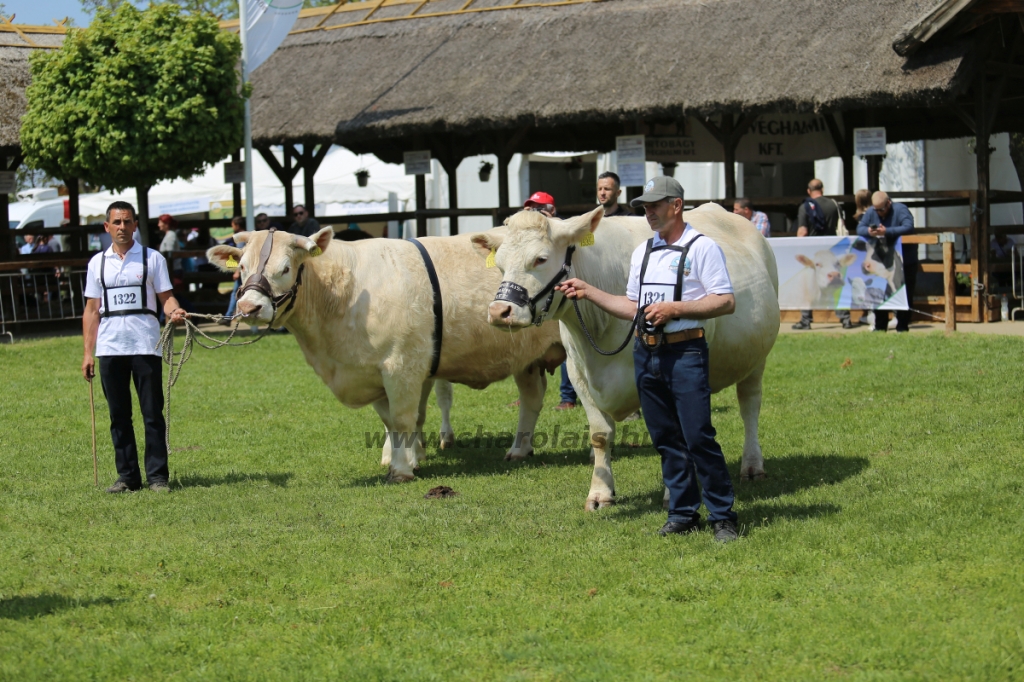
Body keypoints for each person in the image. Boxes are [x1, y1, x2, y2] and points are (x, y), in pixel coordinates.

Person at [556, 176, 739, 543]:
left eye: (655, 205)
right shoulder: (644, 252)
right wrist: (589, 292)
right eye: (644, 206)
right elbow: (632, 306)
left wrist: (676, 308)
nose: (648, 212)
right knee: (666, 438)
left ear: (676, 205)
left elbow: (725, 300)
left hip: (686, 350)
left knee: (699, 435)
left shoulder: (702, 248)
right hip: (647, 351)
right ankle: (683, 513)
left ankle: (723, 516)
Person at [82, 201, 188, 493]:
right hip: (109, 348)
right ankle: (127, 477)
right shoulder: (97, 263)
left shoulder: (152, 259)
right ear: (107, 227)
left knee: (152, 413)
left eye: (127, 222)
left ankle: (157, 477)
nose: (122, 228)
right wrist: (87, 353)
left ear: (135, 225)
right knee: (118, 416)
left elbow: (167, 297)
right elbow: (92, 310)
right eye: (116, 222)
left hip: (145, 345)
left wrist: (174, 310)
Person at [525, 191, 577, 409]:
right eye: (530, 209)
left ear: (551, 211)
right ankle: (527, 393)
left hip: (562, 296)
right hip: (539, 297)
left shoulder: (563, 233)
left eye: (539, 209)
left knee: (568, 344)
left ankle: (568, 398)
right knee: (530, 343)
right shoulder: (529, 237)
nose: (534, 213)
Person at [791, 179, 854, 330]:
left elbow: (803, 231)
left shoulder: (805, 207)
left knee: (808, 285)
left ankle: (806, 320)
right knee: (836, 286)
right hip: (832, 250)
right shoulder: (834, 204)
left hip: (814, 253)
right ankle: (845, 319)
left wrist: (798, 247)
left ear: (809, 190)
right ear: (822, 189)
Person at [857, 191, 917, 333]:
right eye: (876, 209)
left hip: (904, 261)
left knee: (904, 294)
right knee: (879, 293)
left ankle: (902, 327)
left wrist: (887, 231)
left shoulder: (901, 209)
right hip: (881, 264)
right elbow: (860, 228)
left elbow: (908, 227)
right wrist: (869, 231)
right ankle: (880, 327)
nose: (879, 212)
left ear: (888, 203)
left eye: (881, 209)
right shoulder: (872, 212)